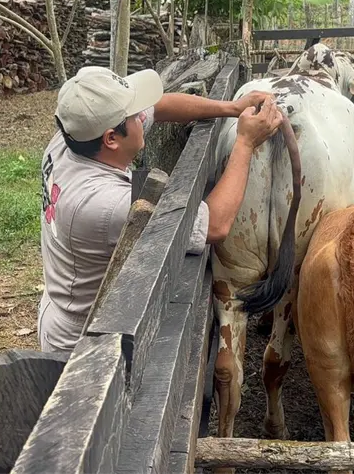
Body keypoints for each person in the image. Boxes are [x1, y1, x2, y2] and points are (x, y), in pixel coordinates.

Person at [38, 66, 281, 353]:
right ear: (111, 139)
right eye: (134, 115)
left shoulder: (72, 138)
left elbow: (160, 105)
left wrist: (231, 107)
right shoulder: (105, 204)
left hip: (62, 306)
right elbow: (214, 225)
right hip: (86, 344)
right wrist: (245, 142)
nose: (144, 114)